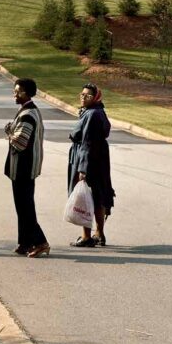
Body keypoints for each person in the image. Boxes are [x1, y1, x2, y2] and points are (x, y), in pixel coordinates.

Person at [4, 78, 49, 258]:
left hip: (23, 167)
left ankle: (40, 242)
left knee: (25, 207)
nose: (15, 94)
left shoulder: (28, 114)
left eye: (18, 91)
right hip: (27, 167)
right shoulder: (30, 110)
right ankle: (25, 242)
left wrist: (9, 132)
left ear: (27, 93)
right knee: (22, 206)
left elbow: (21, 142)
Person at [67, 83, 114, 247]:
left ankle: (87, 236)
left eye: (87, 95)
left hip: (88, 160)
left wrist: (83, 169)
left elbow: (87, 143)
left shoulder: (92, 115)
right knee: (97, 196)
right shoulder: (96, 112)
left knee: (85, 198)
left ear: (95, 97)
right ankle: (99, 233)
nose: (83, 97)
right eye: (82, 94)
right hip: (99, 159)